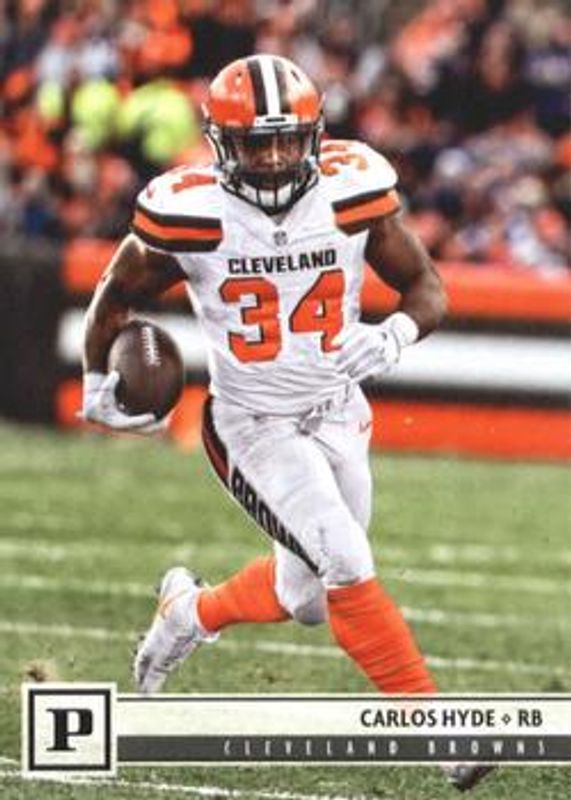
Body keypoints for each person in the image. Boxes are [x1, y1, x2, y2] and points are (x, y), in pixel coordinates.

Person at [81, 55, 491, 792]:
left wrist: (395, 333)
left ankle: (188, 612)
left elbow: (425, 285)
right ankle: (440, 734)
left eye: (284, 140)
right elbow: (116, 292)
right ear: (220, 142)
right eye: (254, 143)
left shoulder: (352, 187)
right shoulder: (190, 210)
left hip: (340, 410)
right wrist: (93, 381)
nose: (272, 158)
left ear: (313, 135)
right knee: (346, 559)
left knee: (307, 601)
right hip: (253, 422)